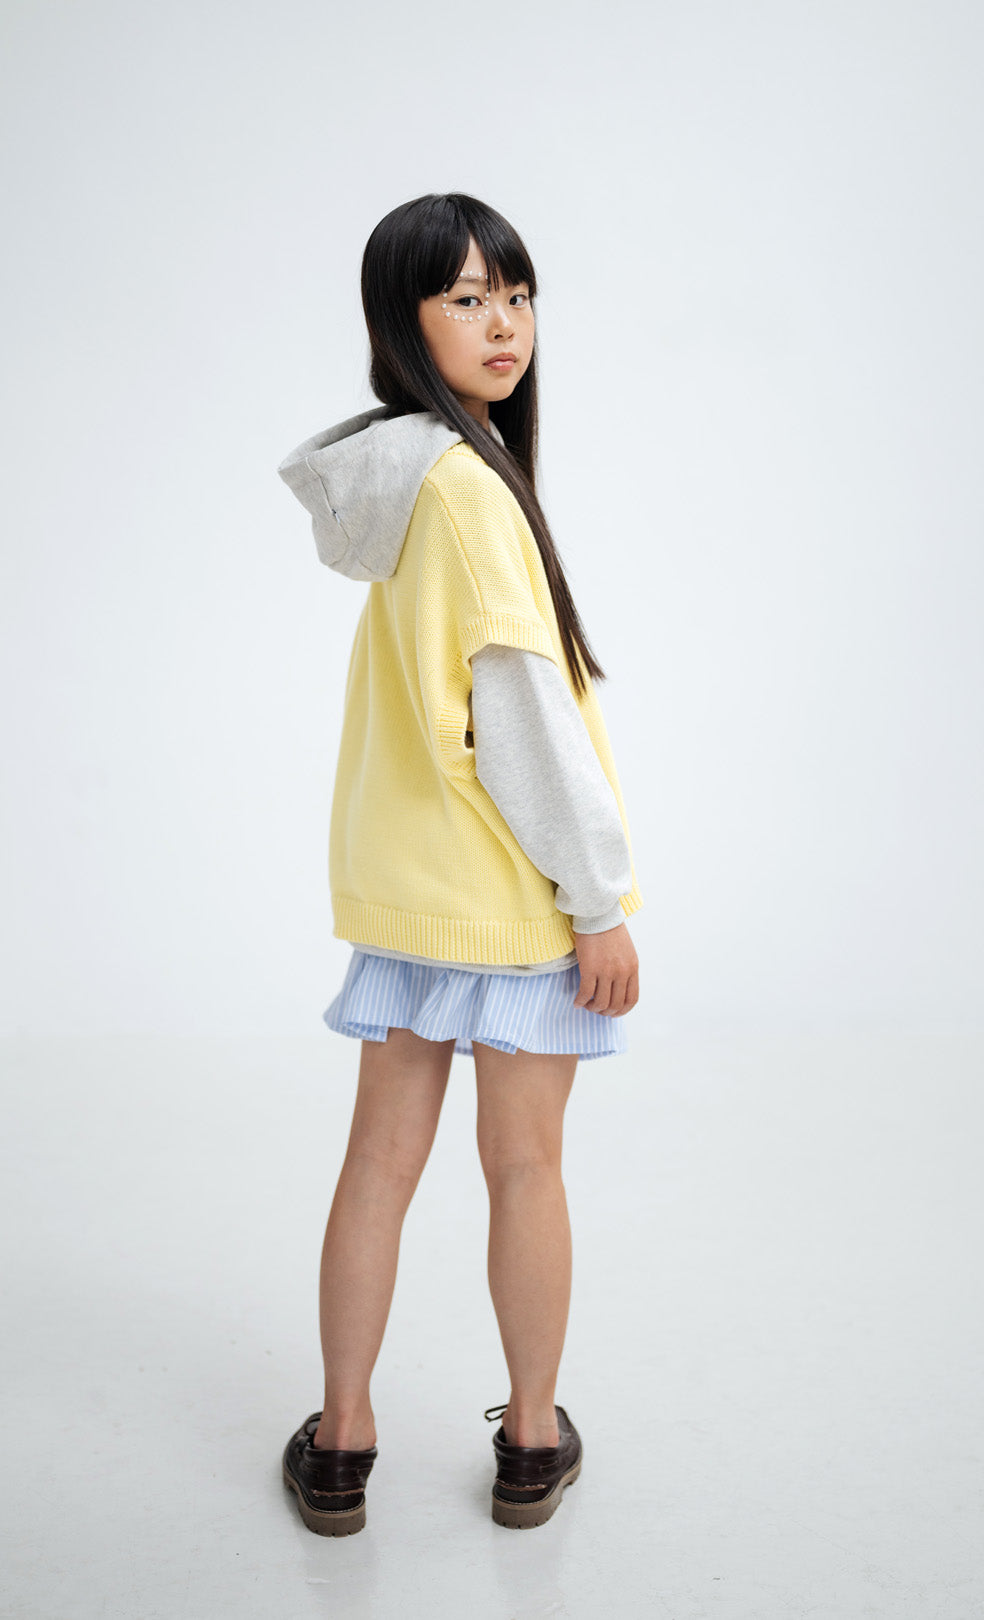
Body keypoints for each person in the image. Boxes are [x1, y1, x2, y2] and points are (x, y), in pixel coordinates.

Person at [275, 193, 644, 1536]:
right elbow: (523, 723)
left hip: (409, 896)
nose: (504, 324)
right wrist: (597, 904)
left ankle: (341, 1442)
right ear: (405, 321)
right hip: (512, 902)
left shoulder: (406, 481)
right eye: (468, 298)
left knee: (378, 1165)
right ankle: (532, 1440)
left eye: (518, 295)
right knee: (526, 1169)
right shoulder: (471, 493)